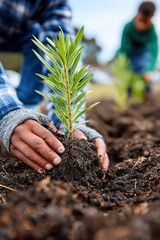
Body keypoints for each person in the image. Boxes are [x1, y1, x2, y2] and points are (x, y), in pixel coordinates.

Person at [0, 0, 109, 173]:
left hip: (20, 33)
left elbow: (59, 43)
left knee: (36, 36)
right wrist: (6, 113)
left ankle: (27, 116)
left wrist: (71, 122)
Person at [118, 1, 158, 87]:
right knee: (128, 72)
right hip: (130, 53)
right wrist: (122, 69)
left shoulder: (152, 31)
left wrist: (149, 70)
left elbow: (154, 51)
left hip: (143, 55)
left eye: (146, 21)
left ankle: (147, 91)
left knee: (144, 64)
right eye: (140, 20)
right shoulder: (128, 27)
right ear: (137, 14)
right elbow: (123, 49)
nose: (142, 26)